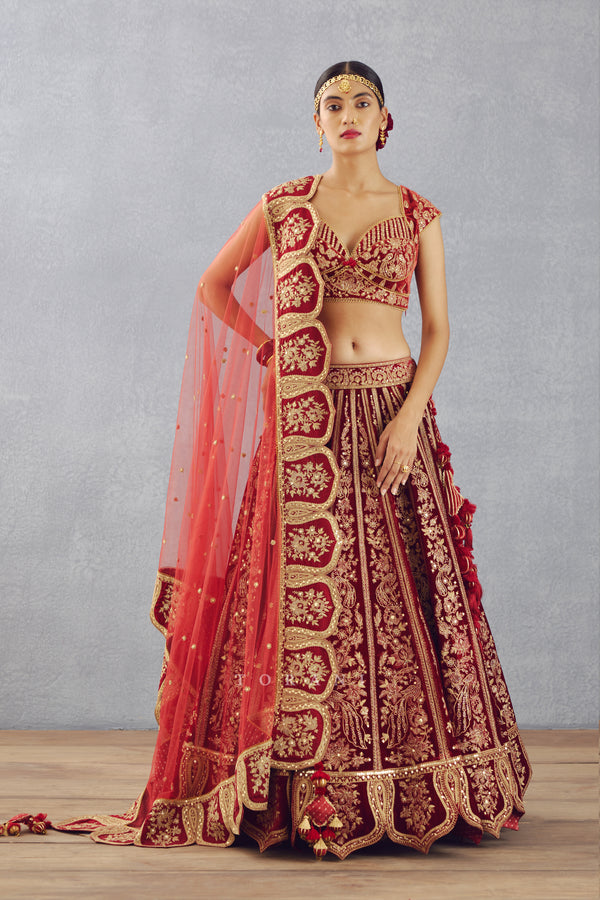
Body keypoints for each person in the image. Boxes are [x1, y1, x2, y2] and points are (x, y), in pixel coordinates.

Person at [56, 61, 531, 859]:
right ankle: (293, 789)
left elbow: (439, 330)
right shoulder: (284, 206)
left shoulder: (417, 213)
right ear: (316, 124)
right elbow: (213, 287)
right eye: (331, 104)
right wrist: (272, 349)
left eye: (362, 102)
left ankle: (417, 780)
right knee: (296, 595)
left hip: (392, 415)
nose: (347, 114)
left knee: (408, 597)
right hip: (308, 423)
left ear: (385, 120)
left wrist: (408, 420)